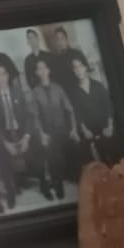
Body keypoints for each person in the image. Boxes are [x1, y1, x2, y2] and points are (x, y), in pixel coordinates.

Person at [0, 65, 33, 213]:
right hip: (5, 134)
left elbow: (28, 116)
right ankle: (10, 191)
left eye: (4, 74)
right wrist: (6, 143)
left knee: (39, 150)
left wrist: (26, 137)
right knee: (2, 159)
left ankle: (40, 182)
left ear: (8, 76)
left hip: (21, 132)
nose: (2, 77)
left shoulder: (18, 92)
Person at [26, 57, 77, 198]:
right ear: (37, 73)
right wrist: (41, 133)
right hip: (45, 131)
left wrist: (73, 128)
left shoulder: (58, 88)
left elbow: (70, 109)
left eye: (44, 68)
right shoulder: (35, 92)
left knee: (59, 155)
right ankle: (53, 182)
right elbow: (35, 116)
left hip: (60, 128)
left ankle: (57, 181)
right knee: (49, 152)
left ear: (48, 70)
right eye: (39, 69)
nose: (42, 71)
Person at [68, 55, 116, 165]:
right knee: (95, 160)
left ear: (85, 67)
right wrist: (85, 130)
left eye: (80, 66)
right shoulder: (74, 92)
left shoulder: (98, 86)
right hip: (90, 131)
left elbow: (108, 107)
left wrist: (110, 127)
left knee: (113, 156)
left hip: (105, 128)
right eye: (75, 67)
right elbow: (77, 113)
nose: (78, 70)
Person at [22, 27, 55, 92]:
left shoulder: (49, 56)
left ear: (37, 39)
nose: (32, 40)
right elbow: (29, 80)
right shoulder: (27, 60)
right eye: (29, 38)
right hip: (38, 91)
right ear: (28, 42)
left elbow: (54, 74)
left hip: (52, 87)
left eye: (33, 37)